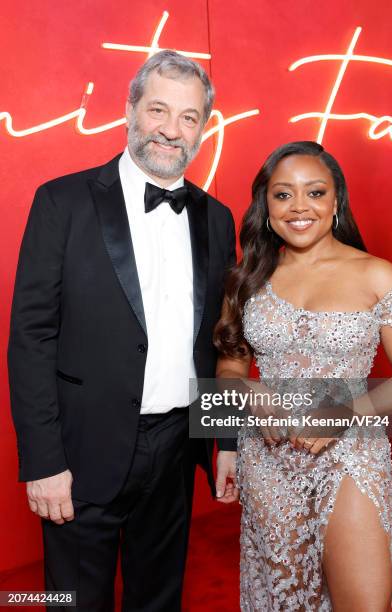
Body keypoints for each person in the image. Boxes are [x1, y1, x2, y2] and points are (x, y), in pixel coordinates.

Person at [8, 50, 236, 611]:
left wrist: (225, 439)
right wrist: (42, 462)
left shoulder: (217, 217)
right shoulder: (62, 201)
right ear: (130, 109)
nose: (171, 129)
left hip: (176, 449)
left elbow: (221, 341)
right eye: (158, 109)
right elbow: (30, 338)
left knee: (158, 600)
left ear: (203, 129)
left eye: (189, 117)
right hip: (80, 452)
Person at [214, 141, 392, 610]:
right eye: (283, 194)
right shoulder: (246, 277)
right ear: (265, 205)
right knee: (289, 602)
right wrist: (248, 390)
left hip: (352, 451)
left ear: (336, 202)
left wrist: (344, 413)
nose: (299, 207)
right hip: (268, 458)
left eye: (315, 192)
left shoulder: (377, 274)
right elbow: (229, 366)